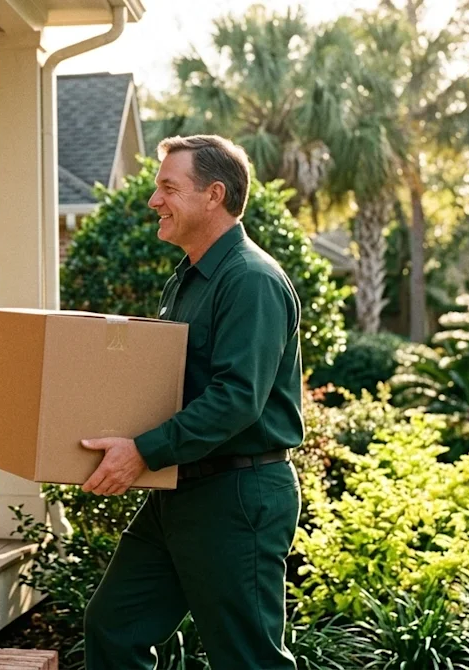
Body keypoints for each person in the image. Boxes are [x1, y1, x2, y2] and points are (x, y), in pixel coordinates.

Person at [79, 135, 303, 669]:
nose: (154, 200)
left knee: (247, 659)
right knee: (114, 626)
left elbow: (236, 399)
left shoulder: (250, 280)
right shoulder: (190, 279)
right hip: (180, 487)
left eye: (168, 187)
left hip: (236, 496)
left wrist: (143, 451)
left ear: (213, 195)